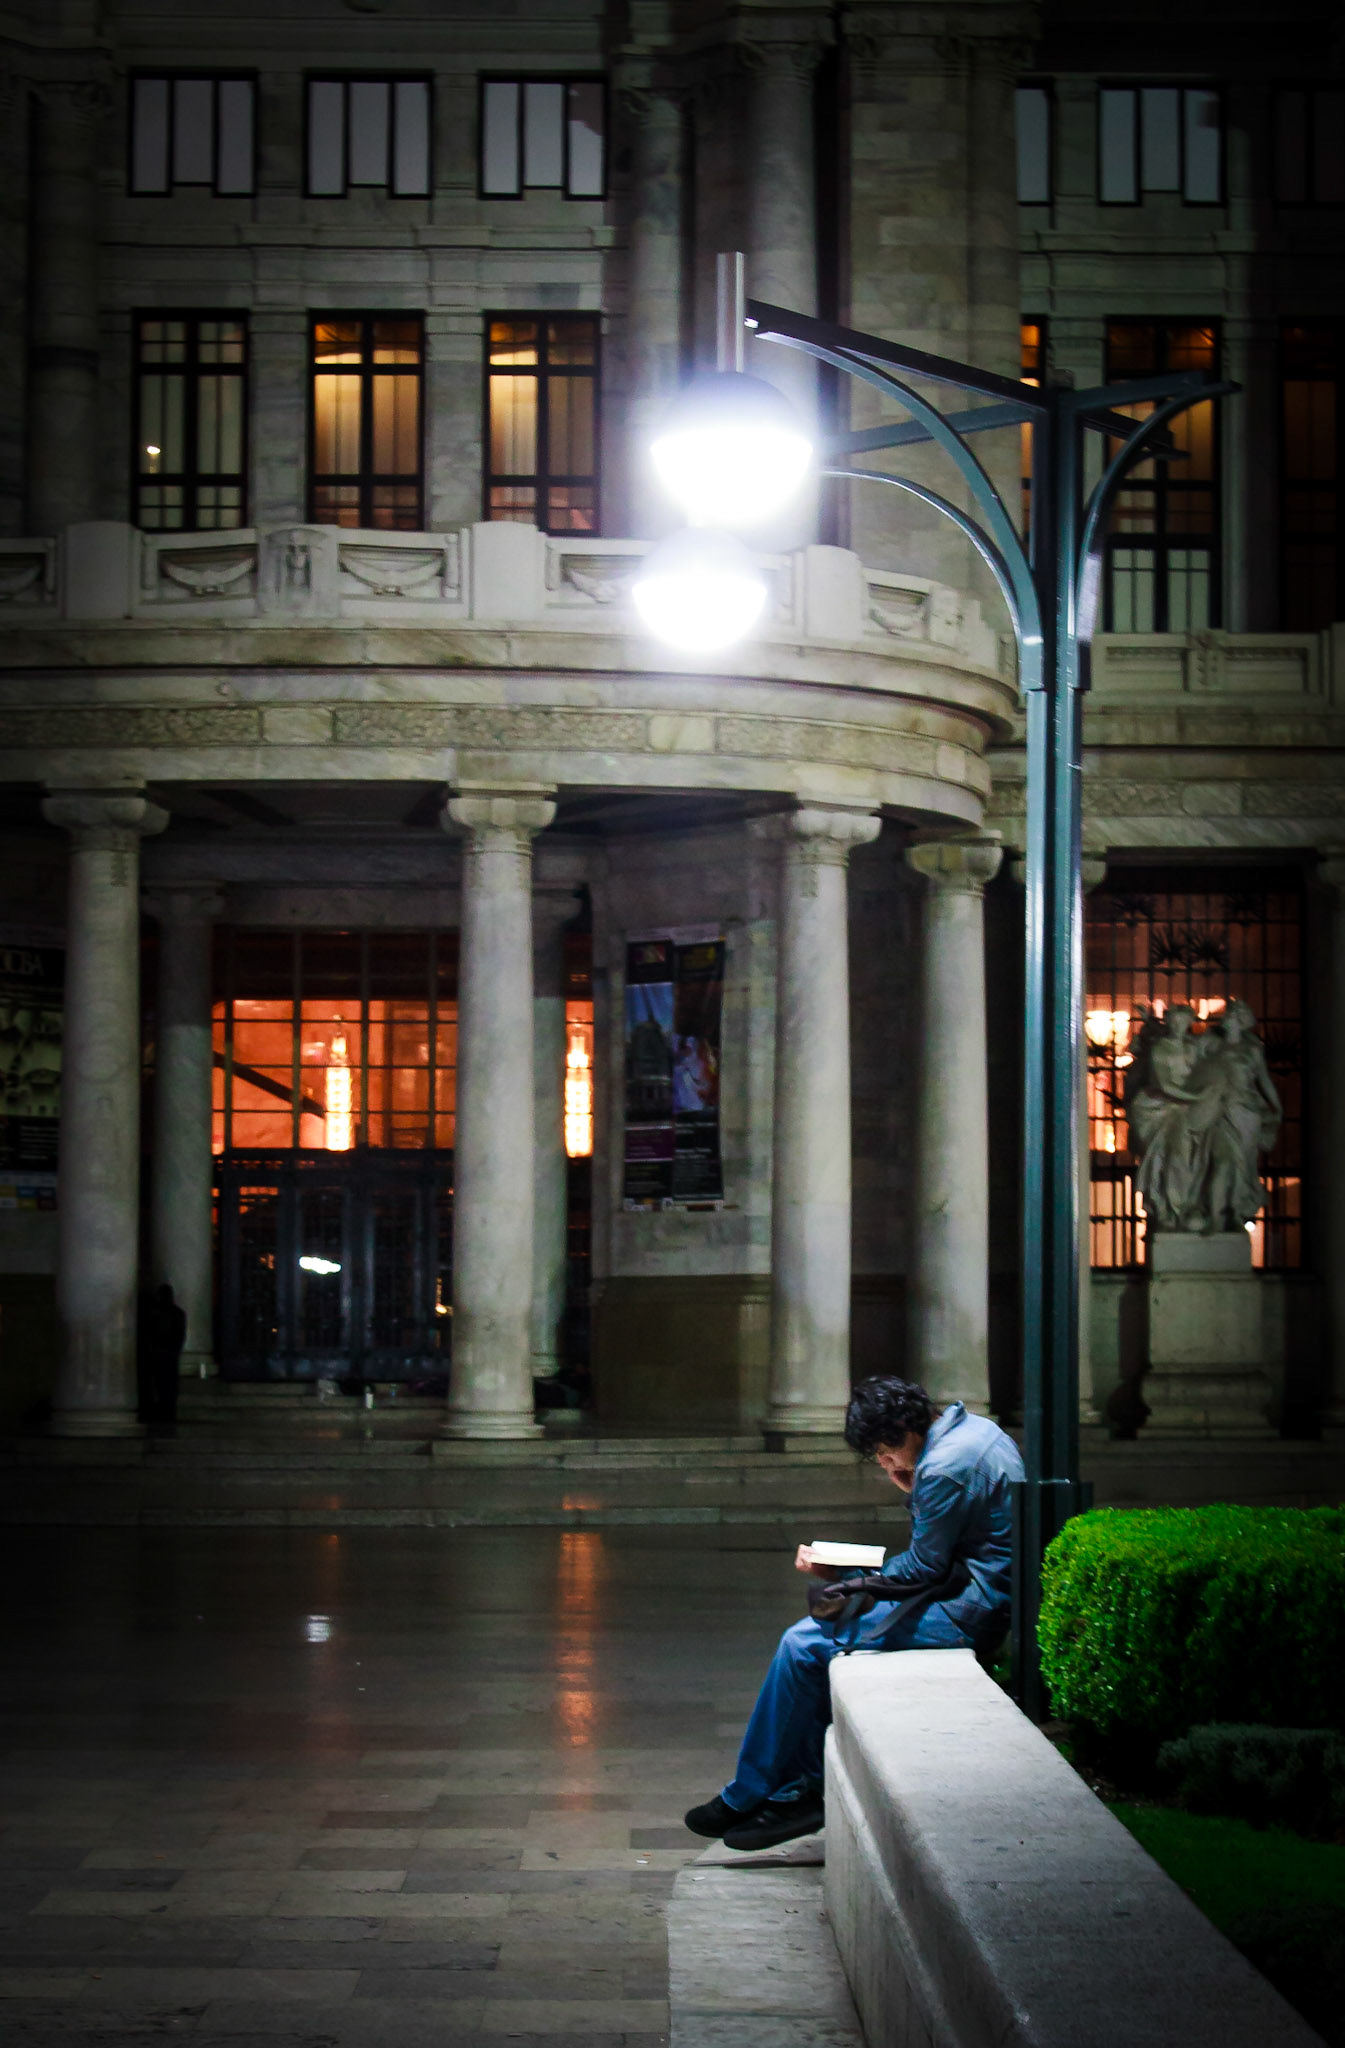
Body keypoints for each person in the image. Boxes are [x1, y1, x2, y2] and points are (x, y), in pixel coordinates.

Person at [684, 1376, 1024, 1852]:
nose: (884, 1462)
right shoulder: (975, 1431)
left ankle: (762, 1793)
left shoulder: (944, 1467)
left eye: (884, 1451)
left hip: (969, 1609)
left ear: (905, 1429)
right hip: (979, 1592)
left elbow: (924, 1566)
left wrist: (847, 1573)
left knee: (803, 1643)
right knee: (814, 1641)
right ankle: (788, 1790)